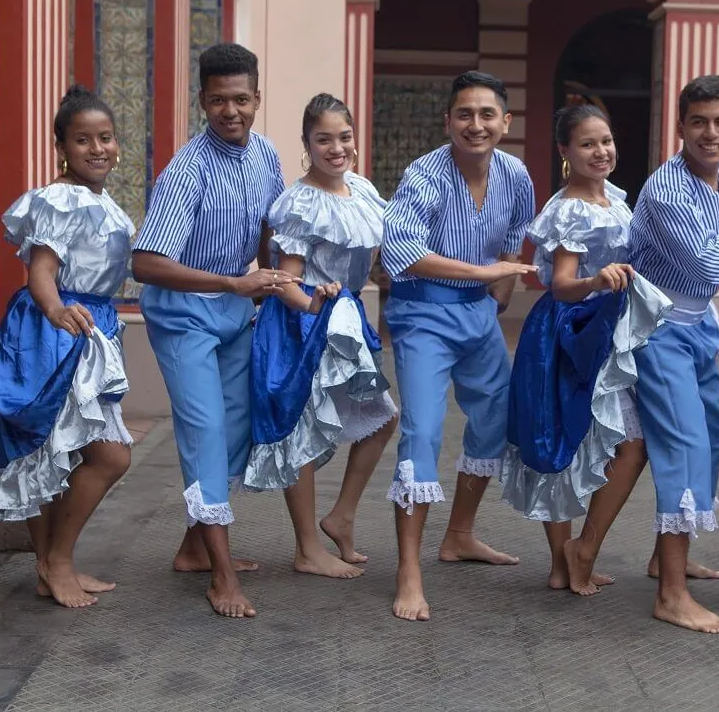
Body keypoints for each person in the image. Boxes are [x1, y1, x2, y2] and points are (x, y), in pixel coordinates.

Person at [0, 85, 135, 609]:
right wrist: (56, 312)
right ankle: (56, 562)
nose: (97, 148)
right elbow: (42, 272)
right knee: (91, 453)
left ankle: (52, 564)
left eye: (105, 138)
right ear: (62, 147)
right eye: (83, 140)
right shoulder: (58, 199)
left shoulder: (104, 203)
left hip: (89, 330)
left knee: (66, 453)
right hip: (53, 334)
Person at [132, 44, 294, 618]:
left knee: (233, 429)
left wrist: (280, 282)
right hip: (182, 317)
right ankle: (222, 577)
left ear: (258, 99)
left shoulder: (266, 155)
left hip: (235, 312)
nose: (232, 111)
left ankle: (192, 551)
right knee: (203, 434)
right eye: (220, 100)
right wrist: (232, 285)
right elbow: (145, 263)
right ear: (203, 101)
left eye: (242, 99)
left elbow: (271, 229)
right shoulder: (188, 168)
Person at [381, 70, 537, 622]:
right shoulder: (423, 174)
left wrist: (497, 291)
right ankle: (408, 569)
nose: (476, 125)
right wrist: (481, 271)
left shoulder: (516, 175)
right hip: (423, 311)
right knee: (422, 430)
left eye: (487, 114)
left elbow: (517, 238)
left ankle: (460, 534)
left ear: (506, 122)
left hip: (478, 313)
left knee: (496, 419)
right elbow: (400, 249)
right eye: (465, 115)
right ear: (448, 121)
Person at [503, 105, 672, 595]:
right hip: (567, 333)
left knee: (629, 444)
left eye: (606, 141)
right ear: (564, 152)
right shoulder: (569, 209)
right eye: (587, 144)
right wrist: (596, 280)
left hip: (609, 332)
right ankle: (564, 560)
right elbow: (558, 285)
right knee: (561, 439)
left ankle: (582, 550)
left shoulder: (618, 202)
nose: (601, 152)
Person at [629, 74, 719, 633]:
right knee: (681, 446)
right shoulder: (665, 190)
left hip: (697, 328)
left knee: (711, 439)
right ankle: (670, 594)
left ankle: (668, 554)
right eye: (699, 122)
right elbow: (712, 266)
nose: (710, 133)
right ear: (680, 127)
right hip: (659, 327)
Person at [243, 93, 399, 578]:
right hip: (301, 324)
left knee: (382, 419)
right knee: (301, 430)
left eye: (344, 137)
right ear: (307, 145)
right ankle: (307, 548)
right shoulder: (299, 203)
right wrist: (315, 304)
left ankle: (341, 517)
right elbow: (284, 281)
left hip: (342, 319)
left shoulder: (362, 190)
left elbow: (368, 257)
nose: (337, 147)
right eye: (324, 139)